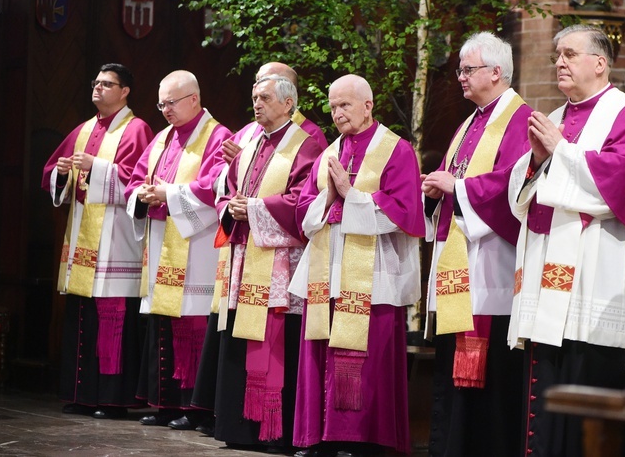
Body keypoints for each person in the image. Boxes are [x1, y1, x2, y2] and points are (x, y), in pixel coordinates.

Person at [506, 24, 625, 457]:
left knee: (582, 382)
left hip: (594, 276)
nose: (560, 63)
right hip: (548, 275)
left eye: (569, 54)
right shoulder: (554, 117)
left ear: (600, 63)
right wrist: (535, 159)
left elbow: (621, 182)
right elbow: (520, 186)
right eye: (557, 56)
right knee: (546, 385)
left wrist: (560, 151)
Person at [289, 74, 425, 456]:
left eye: (345, 105)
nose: (337, 114)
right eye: (332, 107)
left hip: (373, 274)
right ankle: (319, 436)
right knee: (322, 353)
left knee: (366, 357)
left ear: (368, 105)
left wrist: (351, 196)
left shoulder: (396, 150)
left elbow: (405, 211)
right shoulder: (329, 151)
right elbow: (304, 210)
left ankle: (361, 439)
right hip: (328, 267)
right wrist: (330, 197)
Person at [190, 62, 327, 438]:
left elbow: (303, 201)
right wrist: (232, 207)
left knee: (272, 340)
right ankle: (235, 427)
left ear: (288, 103)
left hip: (278, 263)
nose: (256, 104)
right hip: (244, 255)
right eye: (254, 98)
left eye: (264, 98)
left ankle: (270, 431)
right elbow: (225, 189)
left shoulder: (306, 145)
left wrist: (252, 208)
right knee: (237, 335)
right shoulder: (250, 142)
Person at [421, 32, 531, 457]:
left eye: (468, 69)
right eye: (460, 70)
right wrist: (439, 191)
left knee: (490, 386)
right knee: (452, 374)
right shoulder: (472, 122)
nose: (460, 77)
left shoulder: (519, 120)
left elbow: (515, 185)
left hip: (492, 269)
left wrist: (459, 187)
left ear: (496, 72)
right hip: (460, 262)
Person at [42, 63, 153, 419]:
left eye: (107, 84)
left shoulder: (137, 129)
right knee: (82, 318)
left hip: (116, 239)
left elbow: (139, 181)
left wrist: (96, 166)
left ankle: (112, 399)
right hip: (82, 240)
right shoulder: (84, 128)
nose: (99, 88)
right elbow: (53, 174)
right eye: (96, 83)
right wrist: (62, 174)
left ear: (125, 92)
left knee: (112, 319)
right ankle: (81, 394)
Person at [124, 70, 232, 429]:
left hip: (197, 246)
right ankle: (165, 404)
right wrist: (142, 193)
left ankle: (196, 408)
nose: (165, 110)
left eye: (171, 102)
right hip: (161, 243)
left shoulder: (218, 136)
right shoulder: (161, 139)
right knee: (163, 322)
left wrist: (167, 194)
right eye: (161, 103)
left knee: (193, 323)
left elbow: (215, 184)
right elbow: (137, 179)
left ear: (194, 99)